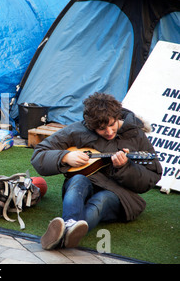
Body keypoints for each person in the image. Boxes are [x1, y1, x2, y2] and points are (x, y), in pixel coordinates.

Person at [31, 92, 162, 250]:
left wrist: (125, 167)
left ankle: (65, 229)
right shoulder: (77, 130)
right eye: (101, 129)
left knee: (102, 199)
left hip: (120, 195)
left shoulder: (135, 134)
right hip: (85, 186)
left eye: (112, 124)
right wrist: (65, 157)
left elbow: (152, 175)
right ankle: (70, 229)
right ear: (90, 124)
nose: (108, 131)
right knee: (77, 180)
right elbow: (39, 155)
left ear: (117, 116)